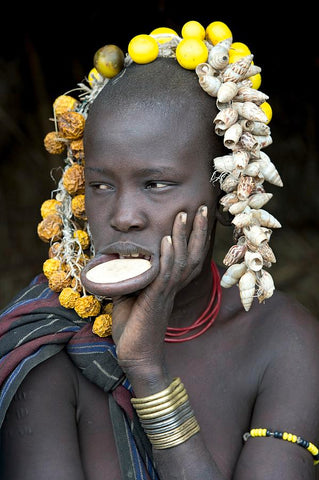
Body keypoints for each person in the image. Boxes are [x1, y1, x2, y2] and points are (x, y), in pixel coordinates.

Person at [1, 20, 319, 480]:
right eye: (101, 185)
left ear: (226, 194)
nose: (123, 215)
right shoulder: (48, 345)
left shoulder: (283, 342)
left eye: (156, 184)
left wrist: (147, 372)